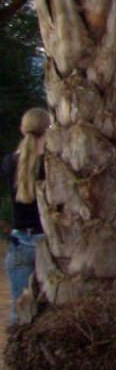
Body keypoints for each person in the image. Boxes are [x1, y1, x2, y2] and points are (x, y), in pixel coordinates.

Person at [2, 107, 50, 323]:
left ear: (23, 129)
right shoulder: (53, 164)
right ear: (48, 130)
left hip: (19, 243)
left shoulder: (8, 162)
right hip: (48, 246)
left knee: (19, 311)